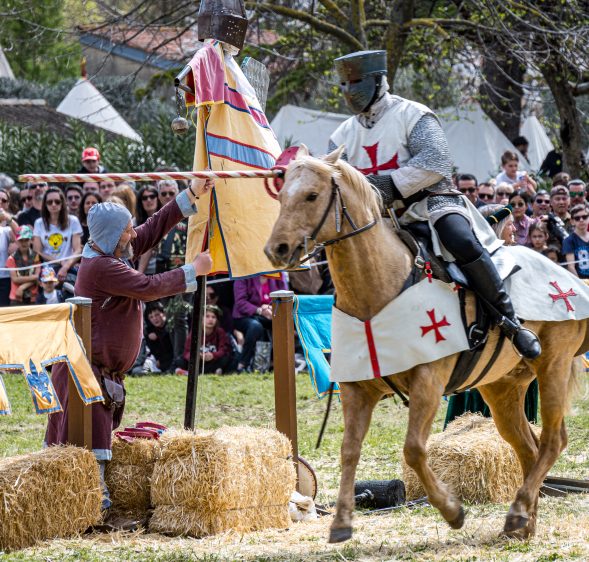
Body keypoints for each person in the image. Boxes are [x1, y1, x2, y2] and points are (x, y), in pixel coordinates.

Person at [329, 49, 540, 358]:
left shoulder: (412, 114)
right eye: (343, 84)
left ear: (376, 80)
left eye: (356, 81)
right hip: (381, 218)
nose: (349, 91)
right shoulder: (341, 135)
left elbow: (435, 162)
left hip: (431, 202)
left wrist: (384, 185)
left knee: (459, 239)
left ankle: (508, 321)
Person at [44, 177, 214, 516]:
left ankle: (92, 505)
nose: (133, 234)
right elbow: (150, 286)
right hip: (85, 375)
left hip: (97, 373)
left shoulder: (109, 251)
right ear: (110, 235)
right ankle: (94, 508)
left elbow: (149, 230)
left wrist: (190, 194)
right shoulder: (102, 266)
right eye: (126, 230)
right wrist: (192, 271)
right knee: (88, 454)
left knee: (91, 447)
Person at [233, 274, 288, 372]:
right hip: (245, 316)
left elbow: (285, 299)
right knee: (256, 326)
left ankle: (283, 363)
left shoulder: (278, 274)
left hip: (270, 314)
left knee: (285, 324)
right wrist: (259, 310)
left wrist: (273, 308)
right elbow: (240, 303)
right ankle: (243, 364)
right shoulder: (243, 275)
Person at [32, 188, 83, 283]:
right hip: (48, 268)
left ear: (62, 203)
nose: (53, 204)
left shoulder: (73, 221)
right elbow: (37, 251)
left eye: (57, 201)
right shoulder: (39, 223)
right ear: (45, 204)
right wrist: (59, 262)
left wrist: (66, 266)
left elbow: (78, 250)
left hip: (69, 267)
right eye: (49, 202)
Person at [182, 305, 236, 374]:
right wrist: (198, 356)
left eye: (213, 317)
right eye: (207, 316)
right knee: (180, 361)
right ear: (201, 319)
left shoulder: (220, 332)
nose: (210, 319)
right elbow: (187, 351)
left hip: (213, 360)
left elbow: (223, 350)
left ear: (217, 320)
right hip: (199, 361)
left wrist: (213, 355)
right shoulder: (195, 332)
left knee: (226, 359)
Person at [6, 225, 40, 305]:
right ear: (16, 241)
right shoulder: (11, 258)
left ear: (31, 240)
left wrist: (22, 287)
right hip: (16, 298)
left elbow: (38, 277)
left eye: (26, 240)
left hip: (32, 297)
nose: (24, 243)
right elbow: (15, 279)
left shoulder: (36, 256)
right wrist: (33, 278)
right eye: (21, 240)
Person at [0, 189, 20, 306]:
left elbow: (21, 234)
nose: (0, 203)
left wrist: (8, 218)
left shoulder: (8, 228)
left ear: (8, 204)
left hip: (4, 278)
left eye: (4, 200)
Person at [136, 185, 162, 275]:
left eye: (152, 196)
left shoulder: (165, 220)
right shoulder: (134, 222)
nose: (149, 200)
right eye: (144, 198)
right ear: (140, 202)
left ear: (157, 198)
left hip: (162, 269)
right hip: (140, 270)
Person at [144, 301, 175, 373]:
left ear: (164, 314)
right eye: (151, 317)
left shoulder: (171, 328)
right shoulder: (150, 332)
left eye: (157, 315)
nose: (154, 319)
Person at [563, 203, 589, 279]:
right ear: (572, 221)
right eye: (577, 218)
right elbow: (571, 267)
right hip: (581, 281)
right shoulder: (568, 241)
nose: (581, 220)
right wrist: (581, 285)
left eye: (584, 217)